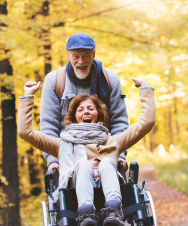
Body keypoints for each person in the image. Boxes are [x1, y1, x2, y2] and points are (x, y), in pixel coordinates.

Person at [18, 77, 155, 226]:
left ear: (99, 114)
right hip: (77, 198)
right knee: (82, 165)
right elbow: (26, 132)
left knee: (107, 165)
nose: (86, 112)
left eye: (90, 108)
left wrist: (145, 89)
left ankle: (112, 212)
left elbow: (146, 123)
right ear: (73, 118)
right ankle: (86, 215)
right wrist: (28, 96)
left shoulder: (113, 141)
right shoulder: (62, 144)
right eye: (80, 110)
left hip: (110, 190)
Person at [39, 33, 130, 174]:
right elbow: (48, 126)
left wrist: (120, 156)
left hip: (105, 151)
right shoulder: (54, 81)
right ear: (68, 56)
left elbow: (119, 123)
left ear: (94, 54)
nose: (81, 62)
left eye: (86, 55)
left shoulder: (111, 79)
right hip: (66, 154)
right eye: (76, 56)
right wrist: (53, 161)